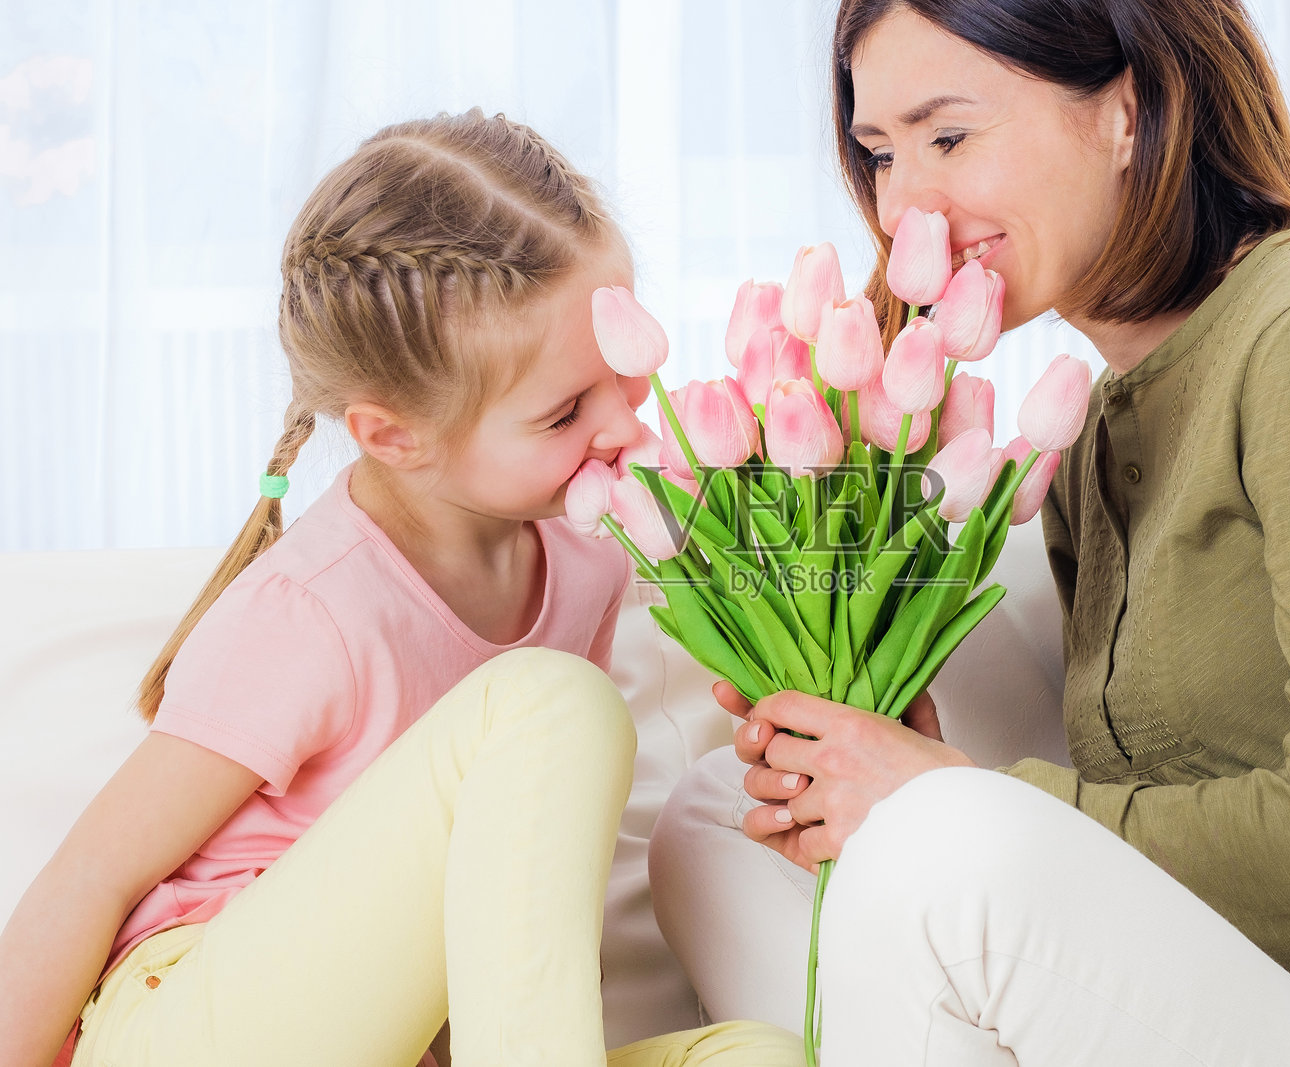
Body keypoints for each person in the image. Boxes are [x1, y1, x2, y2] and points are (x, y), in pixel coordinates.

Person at [648, 3, 1290, 1065]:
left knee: (934, 833)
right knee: (719, 816)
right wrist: (876, 746)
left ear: (1130, 114)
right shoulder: (1099, 433)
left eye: (949, 136)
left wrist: (939, 798)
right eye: (877, 154)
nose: (902, 201)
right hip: (1218, 996)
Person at [0, 110, 802, 1067]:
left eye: (625, 377)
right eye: (563, 412)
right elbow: (90, 874)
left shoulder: (588, 559)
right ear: (394, 436)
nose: (626, 427)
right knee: (553, 703)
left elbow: (532, 890)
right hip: (191, 1022)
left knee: (753, 1054)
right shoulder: (312, 609)